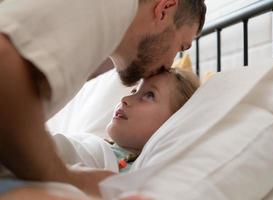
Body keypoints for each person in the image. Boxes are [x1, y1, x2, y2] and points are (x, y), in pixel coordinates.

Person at [0, 0, 206, 196]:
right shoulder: (113, 6)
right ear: (164, 8)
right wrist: (64, 176)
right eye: (180, 47)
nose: (169, 64)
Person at [52, 68, 200, 174]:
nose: (126, 99)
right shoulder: (95, 147)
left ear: (173, 122)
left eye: (149, 95)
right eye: (134, 91)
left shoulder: (146, 175)